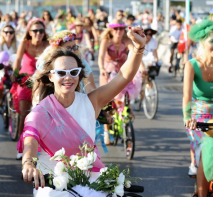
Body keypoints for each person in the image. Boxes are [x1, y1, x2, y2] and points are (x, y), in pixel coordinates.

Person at [19, 26, 145, 196]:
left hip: (92, 182)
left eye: (73, 72)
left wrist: (138, 48)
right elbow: (30, 142)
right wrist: (28, 163)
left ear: (79, 74)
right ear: (51, 76)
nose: (68, 77)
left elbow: (123, 77)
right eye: (61, 72)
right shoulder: (40, 112)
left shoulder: (91, 102)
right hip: (53, 184)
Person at [98, 19, 142, 145]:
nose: (118, 31)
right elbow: (100, 57)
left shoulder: (127, 41)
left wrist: (142, 67)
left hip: (122, 71)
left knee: (132, 84)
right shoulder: (106, 41)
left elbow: (136, 53)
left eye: (121, 29)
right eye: (116, 29)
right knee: (106, 102)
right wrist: (101, 69)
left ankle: (127, 109)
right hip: (108, 71)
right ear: (111, 30)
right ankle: (106, 132)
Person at [183, 19, 213, 197]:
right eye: (212, 42)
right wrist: (188, 117)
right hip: (197, 114)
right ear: (202, 42)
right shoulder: (192, 65)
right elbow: (186, 96)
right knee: (206, 149)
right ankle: (201, 194)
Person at [12, 18, 49, 140]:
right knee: (25, 113)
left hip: (42, 82)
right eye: (35, 31)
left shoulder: (48, 45)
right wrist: (15, 73)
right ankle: (21, 142)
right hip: (25, 81)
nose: (38, 33)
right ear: (29, 32)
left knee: (44, 114)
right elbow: (17, 60)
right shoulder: (25, 44)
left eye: (41, 31)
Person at [0, 24, 18, 105]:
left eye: (11, 32)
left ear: (14, 33)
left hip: (13, 67)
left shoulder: (17, 43)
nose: (8, 34)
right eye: (6, 32)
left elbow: (21, 55)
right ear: (2, 33)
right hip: (1, 67)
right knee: (0, 81)